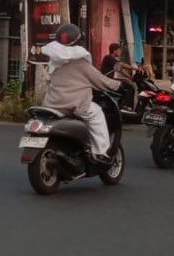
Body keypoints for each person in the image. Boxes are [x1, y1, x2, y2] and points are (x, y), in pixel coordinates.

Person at [42, 23, 122, 164]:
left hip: (52, 104)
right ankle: (100, 152)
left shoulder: (54, 63)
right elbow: (101, 81)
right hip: (75, 105)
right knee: (96, 114)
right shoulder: (81, 64)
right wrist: (119, 85)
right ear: (78, 42)